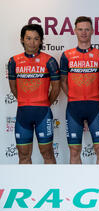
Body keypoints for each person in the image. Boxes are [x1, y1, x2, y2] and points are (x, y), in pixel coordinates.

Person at [60, 16, 99, 164]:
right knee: (74, 150)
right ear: (75, 31)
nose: (84, 33)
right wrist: (71, 96)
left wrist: (98, 98)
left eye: (87, 29)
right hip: (73, 107)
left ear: (92, 31)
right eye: (80, 29)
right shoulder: (66, 56)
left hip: (94, 107)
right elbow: (62, 81)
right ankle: (77, 185)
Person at [8, 24, 60, 164]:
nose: (32, 42)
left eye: (36, 39)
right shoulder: (14, 61)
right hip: (23, 113)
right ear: (22, 40)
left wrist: (44, 103)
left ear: (41, 41)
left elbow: (56, 88)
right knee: (23, 156)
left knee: (47, 153)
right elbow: (13, 88)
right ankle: (25, 185)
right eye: (28, 38)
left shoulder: (50, 61)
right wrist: (26, 101)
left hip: (43, 112)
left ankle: (52, 185)